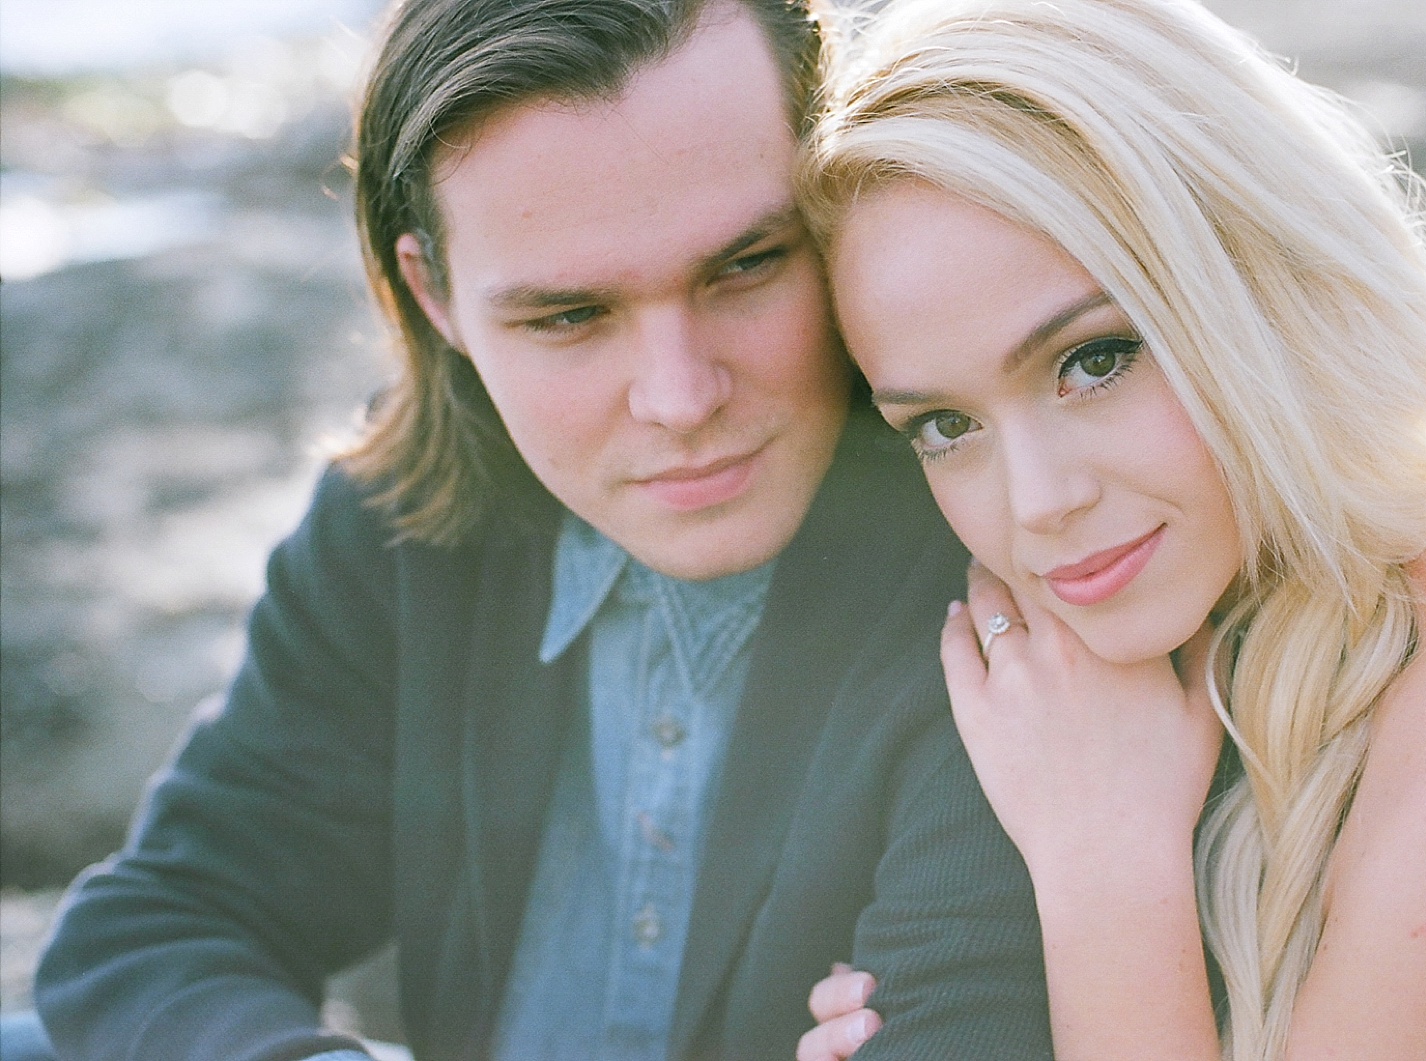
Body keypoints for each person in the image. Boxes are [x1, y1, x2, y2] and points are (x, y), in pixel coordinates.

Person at [11, 0, 1057, 1059]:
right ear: (436, 296)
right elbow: (155, 925)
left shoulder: (1007, 556)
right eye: (569, 315)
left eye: (745, 264)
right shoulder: (406, 512)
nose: (679, 396)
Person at [794, 0, 1426, 1058]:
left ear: (1258, 281)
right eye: (944, 425)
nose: (1037, 502)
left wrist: (1107, 879)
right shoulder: (1206, 669)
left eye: (1094, 359)